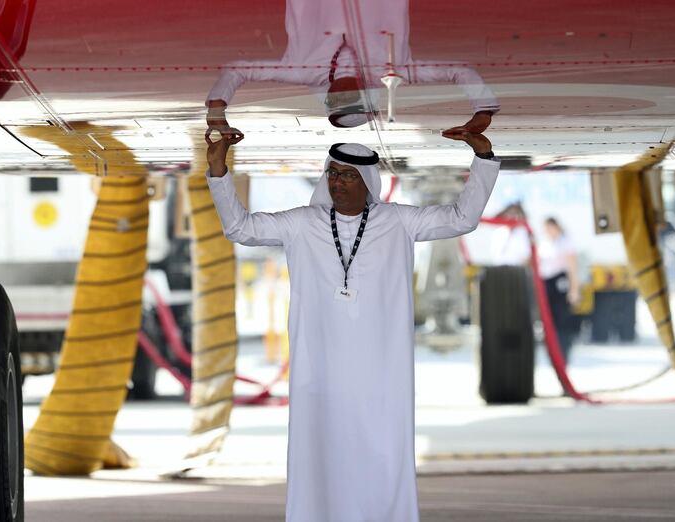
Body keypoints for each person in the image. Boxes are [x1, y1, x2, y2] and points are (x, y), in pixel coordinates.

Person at [205, 126, 499, 522]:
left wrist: (482, 158)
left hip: (382, 375)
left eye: (347, 175)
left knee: (382, 451)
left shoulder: (399, 222)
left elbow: (462, 218)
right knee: (321, 454)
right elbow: (239, 228)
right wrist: (219, 170)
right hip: (319, 374)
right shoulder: (301, 224)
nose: (337, 182)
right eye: (332, 173)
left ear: (368, 182)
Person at [206, 0, 499, 131]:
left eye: (336, 105)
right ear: (365, 98)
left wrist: (217, 108)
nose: (342, 98)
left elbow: (237, 70)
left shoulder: (303, 71)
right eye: (352, 103)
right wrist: (483, 109)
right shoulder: (393, 71)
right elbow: (459, 70)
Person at [539, 217, 580, 362]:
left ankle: (563, 353)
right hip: (546, 282)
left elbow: (572, 268)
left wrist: (574, 289)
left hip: (560, 281)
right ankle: (552, 353)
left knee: (562, 319)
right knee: (548, 319)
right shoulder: (544, 243)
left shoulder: (565, 242)